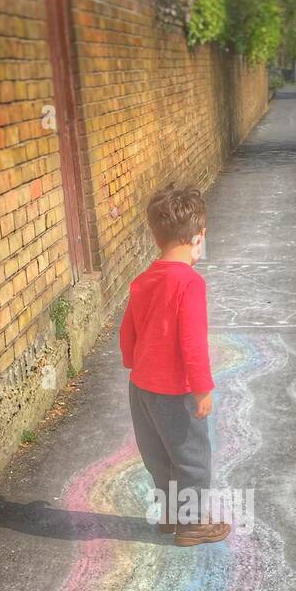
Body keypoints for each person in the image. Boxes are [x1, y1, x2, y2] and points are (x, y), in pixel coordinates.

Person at [119, 185, 231, 547]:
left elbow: (127, 334)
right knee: (192, 459)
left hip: (142, 389)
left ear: (155, 235)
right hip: (176, 391)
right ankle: (194, 524)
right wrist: (202, 388)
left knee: (159, 455)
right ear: (200, 237)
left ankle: (170, 515)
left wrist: (137, 365)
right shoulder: (189, 283)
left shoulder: (142, 280)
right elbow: (193, 343)